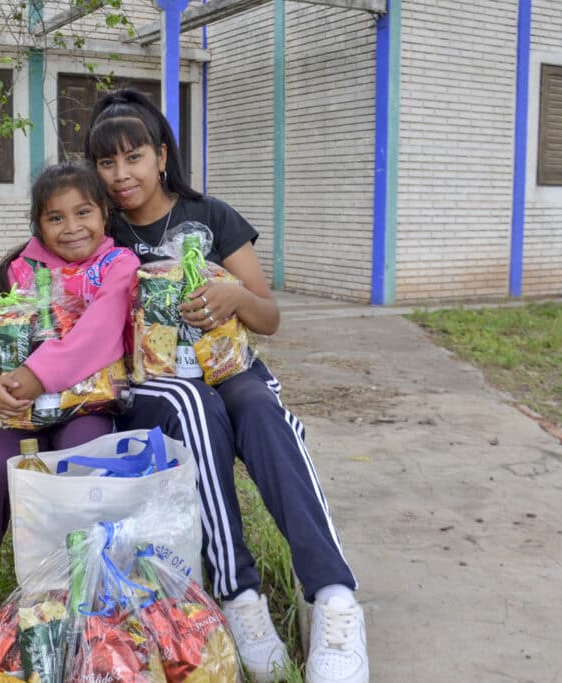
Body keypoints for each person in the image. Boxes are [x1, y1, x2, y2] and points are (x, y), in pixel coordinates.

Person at [82, 89, 370, 683]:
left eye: (133, 157)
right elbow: (36, 278)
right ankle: (239, 597)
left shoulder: (211, 217)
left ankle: (335, 597)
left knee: (262, 409)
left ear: (162, 156)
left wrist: (236, 297)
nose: (119, 175)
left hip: (227, 366)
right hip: (153, 385)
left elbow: (269, 316)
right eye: (106, 163)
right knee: (194, 406)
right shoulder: (99, 229)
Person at [0, 161, 140, 633]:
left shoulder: (118, 267)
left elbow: (98, 336)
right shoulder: (21, 268)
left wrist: (29, 378)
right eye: (55, 218)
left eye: (83, 212)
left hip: (87, 404)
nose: (71, 227)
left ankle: (82, 585)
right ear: (38, 224)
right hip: (16, 408)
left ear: (103, 213)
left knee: (83, 466)